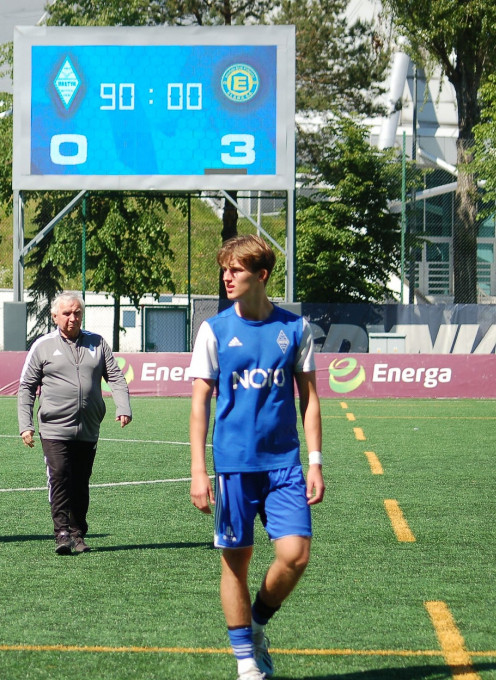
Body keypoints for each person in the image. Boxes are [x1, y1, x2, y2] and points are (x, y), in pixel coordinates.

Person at [188, 235, 325, 680]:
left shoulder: (296, 329)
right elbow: (199, 404)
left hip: (284, 465)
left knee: (295, 555)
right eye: (224, 269)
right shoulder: (213, 330)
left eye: (236, 270)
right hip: (233, 469)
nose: (227, 277)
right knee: (236, 563)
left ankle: (258, 624)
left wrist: (316, 461)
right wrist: (198, 471)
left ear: (261, 275)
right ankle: (246, 661)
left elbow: (310, 399)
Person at [17, 291, 132, 555]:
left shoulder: (97, 343)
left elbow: (115, 377)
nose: (72, 318)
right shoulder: (43, 346)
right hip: (54, 428)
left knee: (80, 483)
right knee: (59, 477)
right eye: (67, 313)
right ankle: (61, 532)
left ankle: (78, 533)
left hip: (88, 428)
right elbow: (26, 387)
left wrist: (123, 406)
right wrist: (26, 424)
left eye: (77, 313)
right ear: (55, 316)